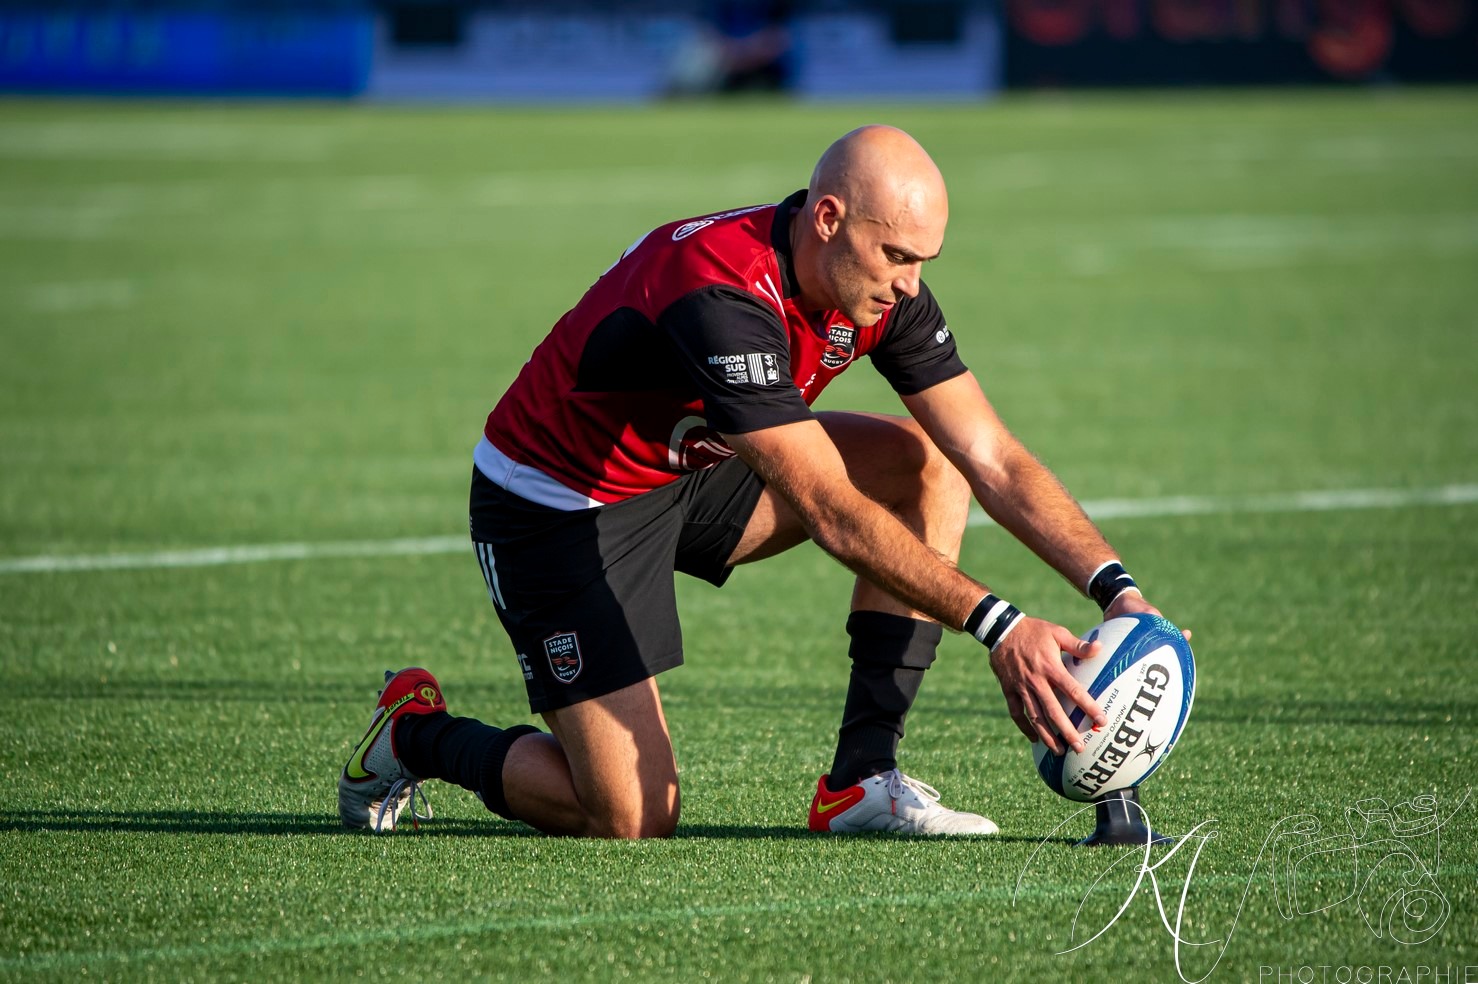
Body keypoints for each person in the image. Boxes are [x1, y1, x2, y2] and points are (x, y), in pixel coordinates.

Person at [338, 125, 1180, 838]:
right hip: (558, 507)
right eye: (895, 255)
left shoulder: (882, 292)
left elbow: (990, 455)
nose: (909, 284)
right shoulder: (718, 292)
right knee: (632, 816)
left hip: (697, 465)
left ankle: (861, 781)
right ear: (828, 219)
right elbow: (828, 509)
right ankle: (415, 733)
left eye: (923, 260)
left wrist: (1119, 590)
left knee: (927, 465)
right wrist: (1001, 627)